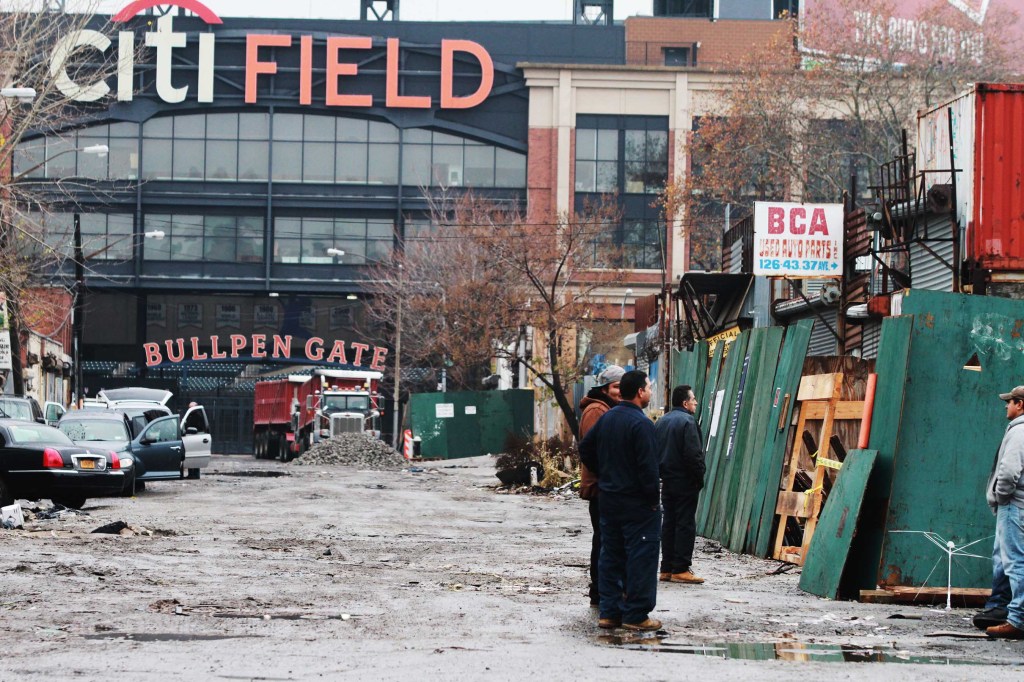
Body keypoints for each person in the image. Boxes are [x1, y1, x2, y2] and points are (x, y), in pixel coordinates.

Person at [579, 370, 662, 632]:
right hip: (636, 503)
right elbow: (650, 470)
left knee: (611, 554)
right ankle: (636, 614)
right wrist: (652, 501)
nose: (650, 391)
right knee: (641, 556)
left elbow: (585, 449)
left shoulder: (607, 418)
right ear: (640, 392)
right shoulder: (642, 424)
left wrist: (604, 472)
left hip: (610, 499)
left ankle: (610, 613)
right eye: (648, 387)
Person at [578, 364, 624, 607]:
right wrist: (608, 477)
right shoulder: (596, 410)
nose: (619, 391)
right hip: (599, 487)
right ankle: (599, 590)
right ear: (605, 388)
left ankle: (602, 589)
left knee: (605, 539)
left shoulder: (605, 408)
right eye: (616, 387)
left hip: (602, 485)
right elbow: (592, 449)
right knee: (604, 541)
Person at [984, 385, 1024, 639]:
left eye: (1009, 402)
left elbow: (1009, 472)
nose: (1005, 405)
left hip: (1014, 505)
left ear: (1020, 404)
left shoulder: (1019, 431)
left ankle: (1017, 620)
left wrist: (1000, 497)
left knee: (1015, 563)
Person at [656, 385, 706, 585]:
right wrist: (699, 476)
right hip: (685, 481)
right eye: (693, 399)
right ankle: (681, 568)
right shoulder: (688, 421)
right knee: (685, 523)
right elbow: (693, 454)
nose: (695, 402)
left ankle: (666, 568)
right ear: (685, 403)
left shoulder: (662, 421)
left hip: (667, 481)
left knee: (669, 522)